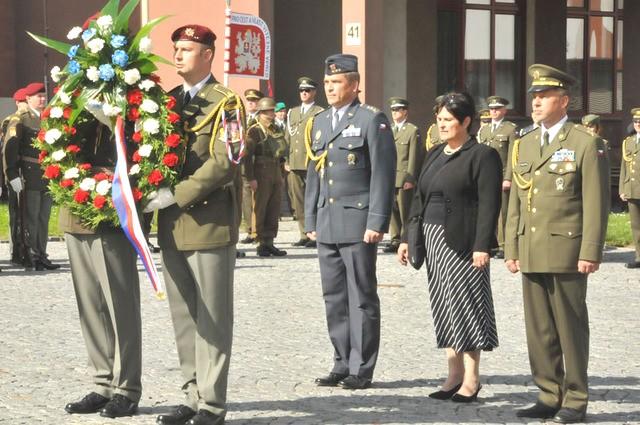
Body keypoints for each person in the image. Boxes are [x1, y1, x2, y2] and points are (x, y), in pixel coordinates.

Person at [147, 24, 243, 425]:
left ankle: (212, 404)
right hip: (171, 225)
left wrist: (177, 193)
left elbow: (228, 159)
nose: (178, 54)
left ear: (207, 55)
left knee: (213, 317)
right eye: (176, 48)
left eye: (187, 48)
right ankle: (191, 394)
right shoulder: (167, 103)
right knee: (184, 315)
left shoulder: (228, 103)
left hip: (208, 222)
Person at [505, 64, 609, 423]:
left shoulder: (584, 142)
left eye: (544, 95)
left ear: (563, 101)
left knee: (570, 327)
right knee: (540, 330)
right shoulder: (525, 142)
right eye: (534, 95)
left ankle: (576, 399)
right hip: (532, 248)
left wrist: (590, 250)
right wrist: (512, 246)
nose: (536, 101)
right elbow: (517, 199)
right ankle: (548, 393)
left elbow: (595, 202)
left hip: (567, 250)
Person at [398, 92, 501, 403]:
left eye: (447, 120)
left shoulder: (482, 155)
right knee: (444, 305)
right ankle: (453, 374)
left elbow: (489, 204)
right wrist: (406, 237)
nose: (441, 125)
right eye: (438, 119)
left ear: (466, 121)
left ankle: (472, 378)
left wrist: (482, 245)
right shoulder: (434, 153)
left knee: (466, 306)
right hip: (432, 238)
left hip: (463, 242)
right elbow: (419, 197)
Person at [305, 53, 396, 390]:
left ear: (354, 85)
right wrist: (310, 216)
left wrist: (377, 220)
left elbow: (383, 175)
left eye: (337, 82)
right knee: (334, 297)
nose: (330, 87)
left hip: (358, 222)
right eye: (327, 82)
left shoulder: (372, 120)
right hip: (327, 222)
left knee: (361, 296)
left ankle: (362, 367)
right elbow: (316, 170)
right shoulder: (320, 121)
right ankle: (341, 361)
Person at [62, 122, 142, 419]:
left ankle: (126, 388)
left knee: (120, 306)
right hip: (75, 210)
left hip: (114, 215)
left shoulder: (129, 97)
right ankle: (102, 382)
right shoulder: (72, 104)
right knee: (90, 307)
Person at [3, 82, 59, 270]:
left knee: (44, 216)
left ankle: (41, 253)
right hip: (29, 173)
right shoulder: (21, 118)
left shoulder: (50, 117)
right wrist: (11, 174)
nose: (42, 99)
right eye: (38, 96)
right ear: (28, 99)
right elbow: (10, 148)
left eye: (44, 96)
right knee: (31, 216)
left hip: (47, 174)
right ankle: (31, 253)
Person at [244, 97, 288, 257]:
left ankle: (269, 241)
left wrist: (282, 172)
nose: (273, 113)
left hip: (275, 169)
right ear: (262, 112)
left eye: (273, 110)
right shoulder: (255, 130)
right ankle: (260, 241)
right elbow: (247, 156)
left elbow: (281, 151)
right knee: (260, 207)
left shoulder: (275, 128)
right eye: (270, 110)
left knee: (274, 207)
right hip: (261, 171)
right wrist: (250, 178)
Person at [285, 76, 324, 247]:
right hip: (294, 162)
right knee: (298, 199)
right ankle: (304, 233)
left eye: (307, 90)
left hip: (311, 162)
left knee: (314, 198)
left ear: (314, 92)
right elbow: (288, 137)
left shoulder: (320, 112)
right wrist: (285, 159)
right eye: (301, 90)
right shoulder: (292, 112)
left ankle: (315, 232)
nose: (304, 93)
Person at [477, 96, 518, 259]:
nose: (494, 111)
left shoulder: (510, 129)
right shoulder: (484, 130)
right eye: (492, 109)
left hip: (502, 176)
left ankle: (503, 245)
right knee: (486, 210)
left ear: (504, 110)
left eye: (497, 108)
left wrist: (508, 178)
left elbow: (512, 155)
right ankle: (489, 242)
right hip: (486, 177)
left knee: (503, 212)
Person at [384, 97, 422, 253]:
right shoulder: (388, 129)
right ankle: (395, 238)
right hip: (390, 176)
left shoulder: (412, 130)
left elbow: (414, 157)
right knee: (392, 210)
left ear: (405, 111)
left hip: (403, 177)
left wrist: (410, 178)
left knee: (405, 210)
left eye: (397, 110)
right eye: (392, 110)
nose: (394, 113)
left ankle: (407, 239)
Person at [2, 87, 29, 269]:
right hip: (14, 172)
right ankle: (16, 250)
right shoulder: (11, 121)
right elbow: (7, 150)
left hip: (24, 172)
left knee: (24, 214)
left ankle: (22, 250)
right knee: (15, 213)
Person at [240, 88, 264, 245]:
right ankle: (250, 229)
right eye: (248, 100)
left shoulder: (261, 121)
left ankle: (259, 231)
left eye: (254, 101)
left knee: (258, 200)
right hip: (241, 166)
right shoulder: (241, 118)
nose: (250, 103)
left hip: (256, 166)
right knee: (245, 201)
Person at [619, 108, 640, 269]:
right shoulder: (629, 142)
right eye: (635, 122)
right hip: (632, 189)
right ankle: (639, 257)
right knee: (636, 226)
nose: (638, 124)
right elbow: (624, 167)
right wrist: (622, 188)